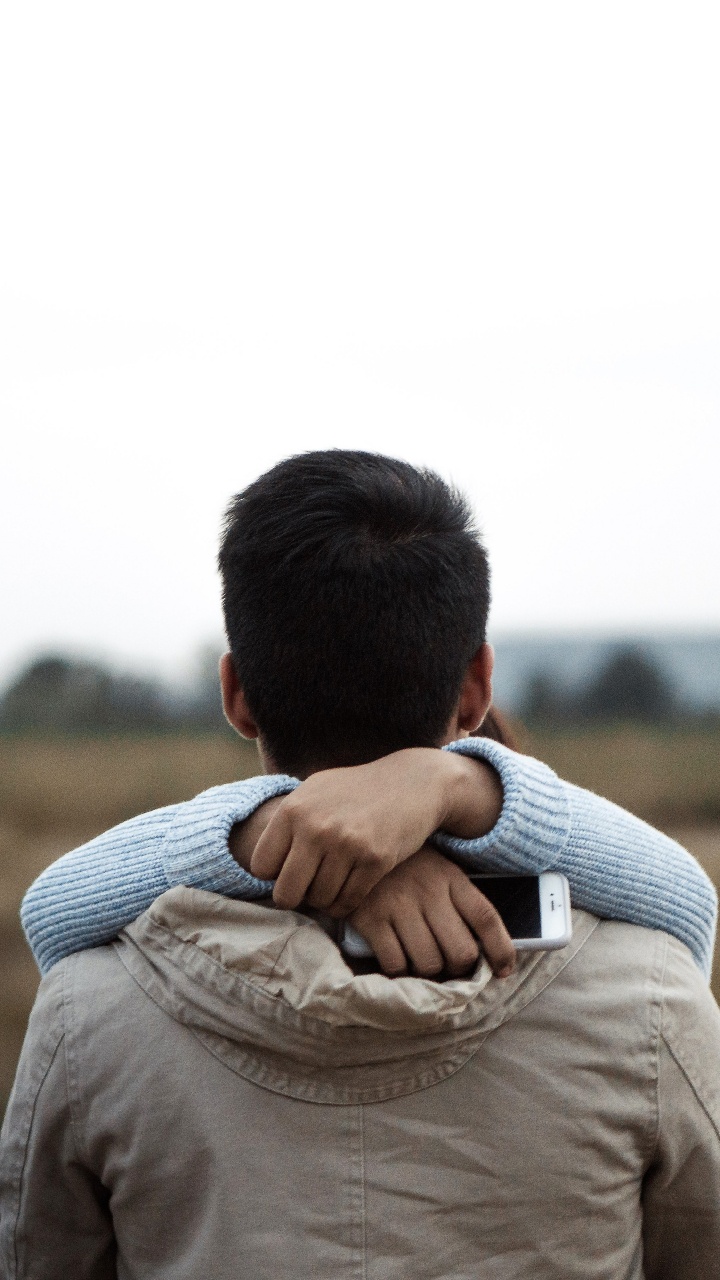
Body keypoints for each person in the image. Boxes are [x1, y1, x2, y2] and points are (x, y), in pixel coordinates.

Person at [2, 450, 719, 1279]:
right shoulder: (654, 1001)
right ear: (477, 684)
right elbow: (688, 904)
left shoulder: (87, 1019)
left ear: (235, 692)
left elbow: (50, 911)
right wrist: (465, 788)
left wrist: (256, 835)